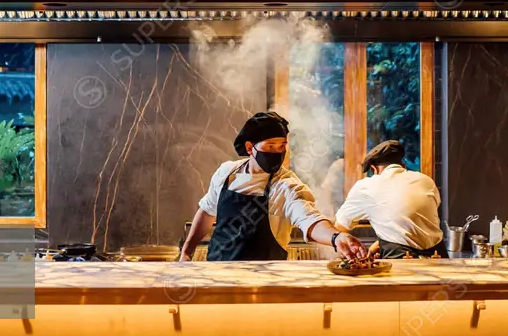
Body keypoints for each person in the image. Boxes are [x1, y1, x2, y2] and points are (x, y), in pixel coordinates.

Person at [179, 111, 367, 262]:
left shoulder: (286, 185)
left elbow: (310, 219)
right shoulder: (226, 173)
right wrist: (187, 251)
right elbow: (206, 212)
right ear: (250, 148)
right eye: (270, 146)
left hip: (264, 284)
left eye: (282, 146)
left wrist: (336, 238)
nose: (277, 152)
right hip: (217, 276)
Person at [334, 140, 447, 259]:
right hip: (439, 258)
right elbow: (415, 222)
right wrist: (379, 245)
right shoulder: (426, 181)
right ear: (402, 165)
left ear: (374, 169)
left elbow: (339, 227)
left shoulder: (366, 187)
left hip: (402, 262)